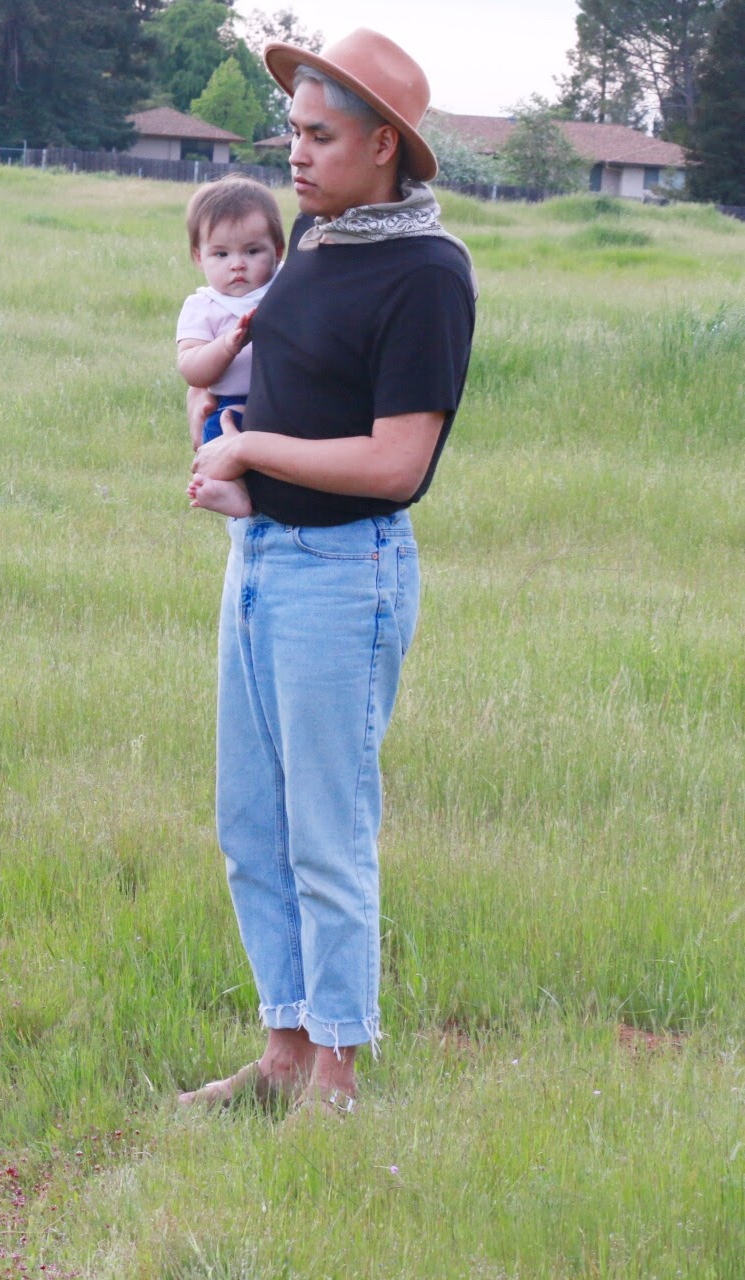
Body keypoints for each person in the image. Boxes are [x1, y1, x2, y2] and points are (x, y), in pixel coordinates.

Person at [179, 28, 478, 1116]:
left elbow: (398, 462)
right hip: (257, 559)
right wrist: (221, 438)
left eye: (319, 134)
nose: (292, 153)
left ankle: (340, 1077)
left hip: (342, 575)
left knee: (328, 831)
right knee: (252, 821)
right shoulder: (318, 235)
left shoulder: (428, 274)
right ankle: (283, 1054)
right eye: (292, 131)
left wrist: (251, 450)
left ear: (386, 146)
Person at [177, 176, 285, 518]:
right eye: (221, 253)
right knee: (216, 445)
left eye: (252, 251)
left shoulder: (284, 288)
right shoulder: (203, 306)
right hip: (229, 402)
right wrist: (228, 345)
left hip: (281, 402)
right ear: (199, 256)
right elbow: (192, 368)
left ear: (278, 251)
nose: (237, 264)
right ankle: (233, 493)